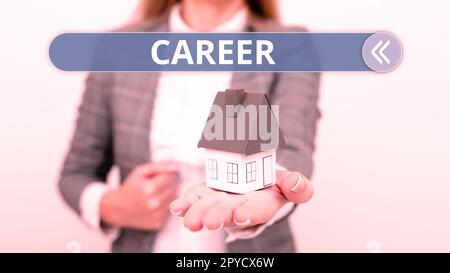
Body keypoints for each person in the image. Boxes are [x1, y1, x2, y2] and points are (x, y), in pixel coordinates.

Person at [58, 0, 320, 253]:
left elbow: (292, 146)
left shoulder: (290, 47)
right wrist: (115, 206)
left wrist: (272, 184)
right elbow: (76, 173)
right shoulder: (118, 49)